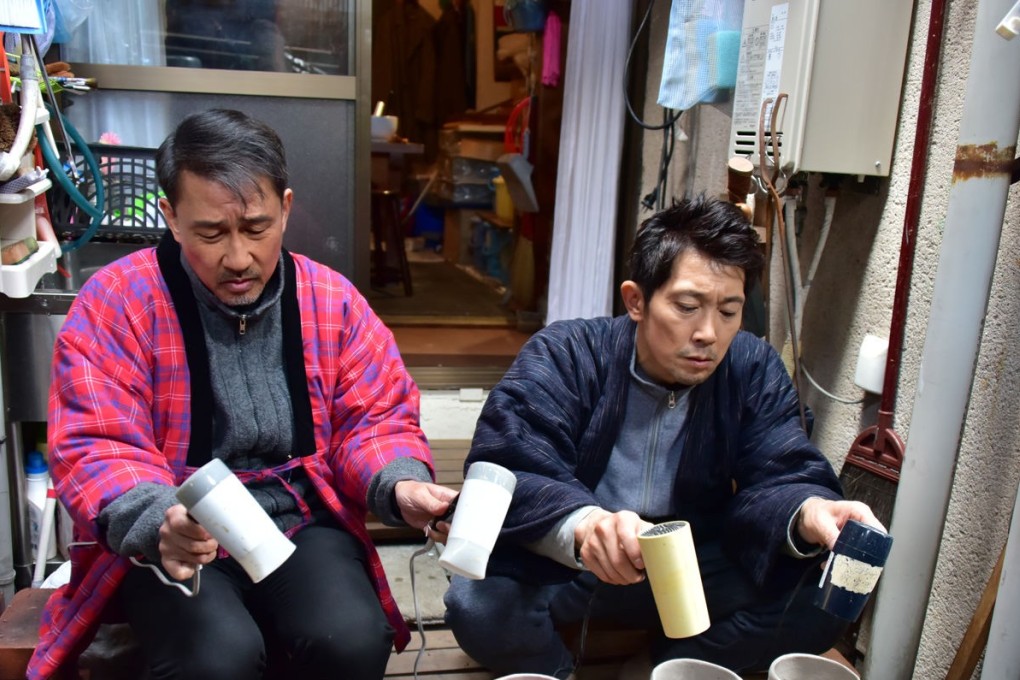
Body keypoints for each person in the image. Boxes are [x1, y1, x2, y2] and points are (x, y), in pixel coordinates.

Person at [30, 109, 457, 680]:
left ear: (284, 208)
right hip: (179, 532)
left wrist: (401, 485)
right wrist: (160, 519)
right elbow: (96, 442)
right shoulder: (117, 302)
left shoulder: (331, 299)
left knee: (350, 639)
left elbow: (375, 419)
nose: (238, 258)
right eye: (211, 232)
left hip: (297, 518)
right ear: (171, 218)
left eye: (256, 228)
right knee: (215, 658)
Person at [444, 196, 884, 677]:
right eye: (688, 306)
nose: (709, 334)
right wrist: (585, 524)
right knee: (477, 604)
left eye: (729, 311)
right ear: (636, 300)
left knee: (823, 599)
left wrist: (812, 511)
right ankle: (555, 669)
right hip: (579, 562)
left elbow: (781, 468)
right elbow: (511, 462)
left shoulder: (750, 367)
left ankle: (667, 668)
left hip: (691, 563)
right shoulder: (568, 353)